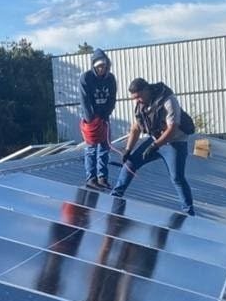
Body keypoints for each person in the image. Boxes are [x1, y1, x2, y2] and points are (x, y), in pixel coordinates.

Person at [111, 78, 196, 214]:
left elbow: (172, 128)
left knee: (177, 177)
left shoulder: (168, 100)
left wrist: (155, 146)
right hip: (155, 140)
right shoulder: (140, 105)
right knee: (130, 164)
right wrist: (128, 150)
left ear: (146, 90)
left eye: (138, 96)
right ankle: (115, 196)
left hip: (175, 143)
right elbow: (135, 129)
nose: (137, 100)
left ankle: (188, 211)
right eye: (134, 98)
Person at [78, 49, 117, 189]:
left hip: (104, 117)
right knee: (91, 149)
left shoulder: (110, 79)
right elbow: (85, 101)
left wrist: (106, 114)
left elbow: (112, 98)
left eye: (104, 66)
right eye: (99, 66)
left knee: (105, 148)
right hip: (91, 120)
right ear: (94, 65)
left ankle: (102, 177)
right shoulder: (86, 78)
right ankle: (91, 178)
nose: (102, 69)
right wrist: (91, 119)